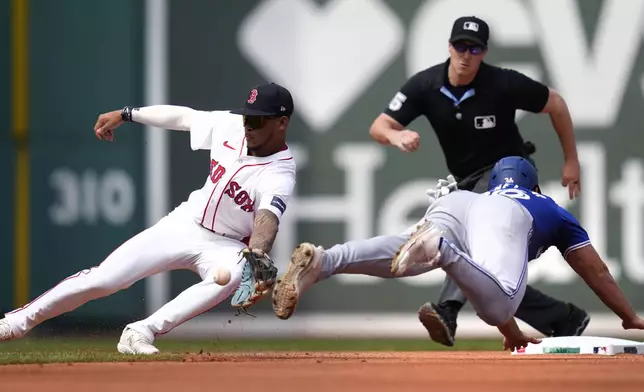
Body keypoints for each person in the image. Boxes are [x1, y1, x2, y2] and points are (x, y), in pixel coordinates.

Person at [0, 82, 294, 354]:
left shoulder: (280, 172)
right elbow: (184, 118)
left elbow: (267, 218)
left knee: (230, 275)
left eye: (258, 119)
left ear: (281, 123)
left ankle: (141, 331)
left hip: (227, 246)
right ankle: (15, 322)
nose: (248, 125)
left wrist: (256, 253)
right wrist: (127, 114)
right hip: (186, 224)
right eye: (247, 116)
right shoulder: (231, 125)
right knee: (104, 279)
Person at [367, 15, 586, 345]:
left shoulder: (502, 83)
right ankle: (563, 318)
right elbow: (379, 126)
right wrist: (396, 137)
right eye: (460, 46)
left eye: (475, 48)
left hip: (511, 177)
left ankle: (447, 309)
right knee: (490, 271)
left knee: (468, 243)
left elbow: (555, 103)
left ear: (484, 52)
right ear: (449, 47)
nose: (466, 55)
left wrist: (571, 159)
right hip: (467, 181)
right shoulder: (425, 86)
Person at [272, 157, 644, 351]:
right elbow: (597, 273)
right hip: (505, 221)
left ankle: (323, 261)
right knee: (497, 305)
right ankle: (441, 250)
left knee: (400, 256)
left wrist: (512, 334)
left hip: (458, 202)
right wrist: (628, 317)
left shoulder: (488, 194)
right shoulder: (549, 208)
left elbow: (482, 277)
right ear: (535, 184)